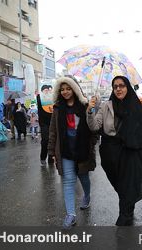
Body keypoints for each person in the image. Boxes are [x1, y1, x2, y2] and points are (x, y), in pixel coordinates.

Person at [87, 75, 142, 226]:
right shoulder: (106, 106)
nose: (118, 89)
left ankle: (125, 215)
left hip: (131, 152)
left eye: (121, 85)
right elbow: (94, 127)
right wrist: (90, 111)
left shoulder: (136, 107)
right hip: (110, 153)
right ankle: (128, 205)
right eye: (115, 86)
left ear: (127, 87)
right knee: (120, 185)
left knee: (128, 184)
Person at [48, 76, 97, 229]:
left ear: (74, 89)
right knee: (68, 181)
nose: (65, 92)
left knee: (83, 177)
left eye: (68, 88)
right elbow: (53, 131)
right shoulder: (57, 108)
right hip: (65, 151)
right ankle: (71, 215)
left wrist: (90, 111)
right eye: (62, 89)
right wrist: (51, 150)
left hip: (82, 150)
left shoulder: (85, 105)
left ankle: (87, 196)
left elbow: (93, 127)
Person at [37, 92, 55, 167]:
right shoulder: (40, 97)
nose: (47, 91)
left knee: (52, 139)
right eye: (45, 90)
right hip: (43, 122)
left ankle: (51, 158)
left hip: (52, 121)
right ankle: (43, 157)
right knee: (45, 139)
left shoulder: (53, 97)